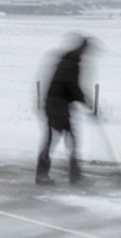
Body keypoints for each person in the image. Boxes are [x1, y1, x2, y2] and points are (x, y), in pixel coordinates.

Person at [37, 35, 92, 184]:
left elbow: (72, 87)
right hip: (57, 105)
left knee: (61, 140)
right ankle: (68, 176)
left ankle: (68, 175)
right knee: (57, 141)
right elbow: (72, 87)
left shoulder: (70, 60)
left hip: (56, 105)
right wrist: (87, 104)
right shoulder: (72, 63)